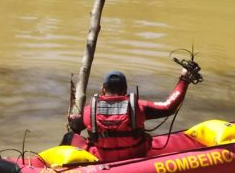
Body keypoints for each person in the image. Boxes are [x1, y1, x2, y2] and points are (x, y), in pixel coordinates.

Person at [65, 66, 197, 163]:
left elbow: (75, 127)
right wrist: (184, 79)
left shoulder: (89, 111)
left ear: (103, 89)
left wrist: (73, 120)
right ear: (125, 89)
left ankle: (59, 168)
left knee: (69, 136)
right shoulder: (138, 107)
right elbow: (169, 107)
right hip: (134, 156)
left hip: (101, 159)